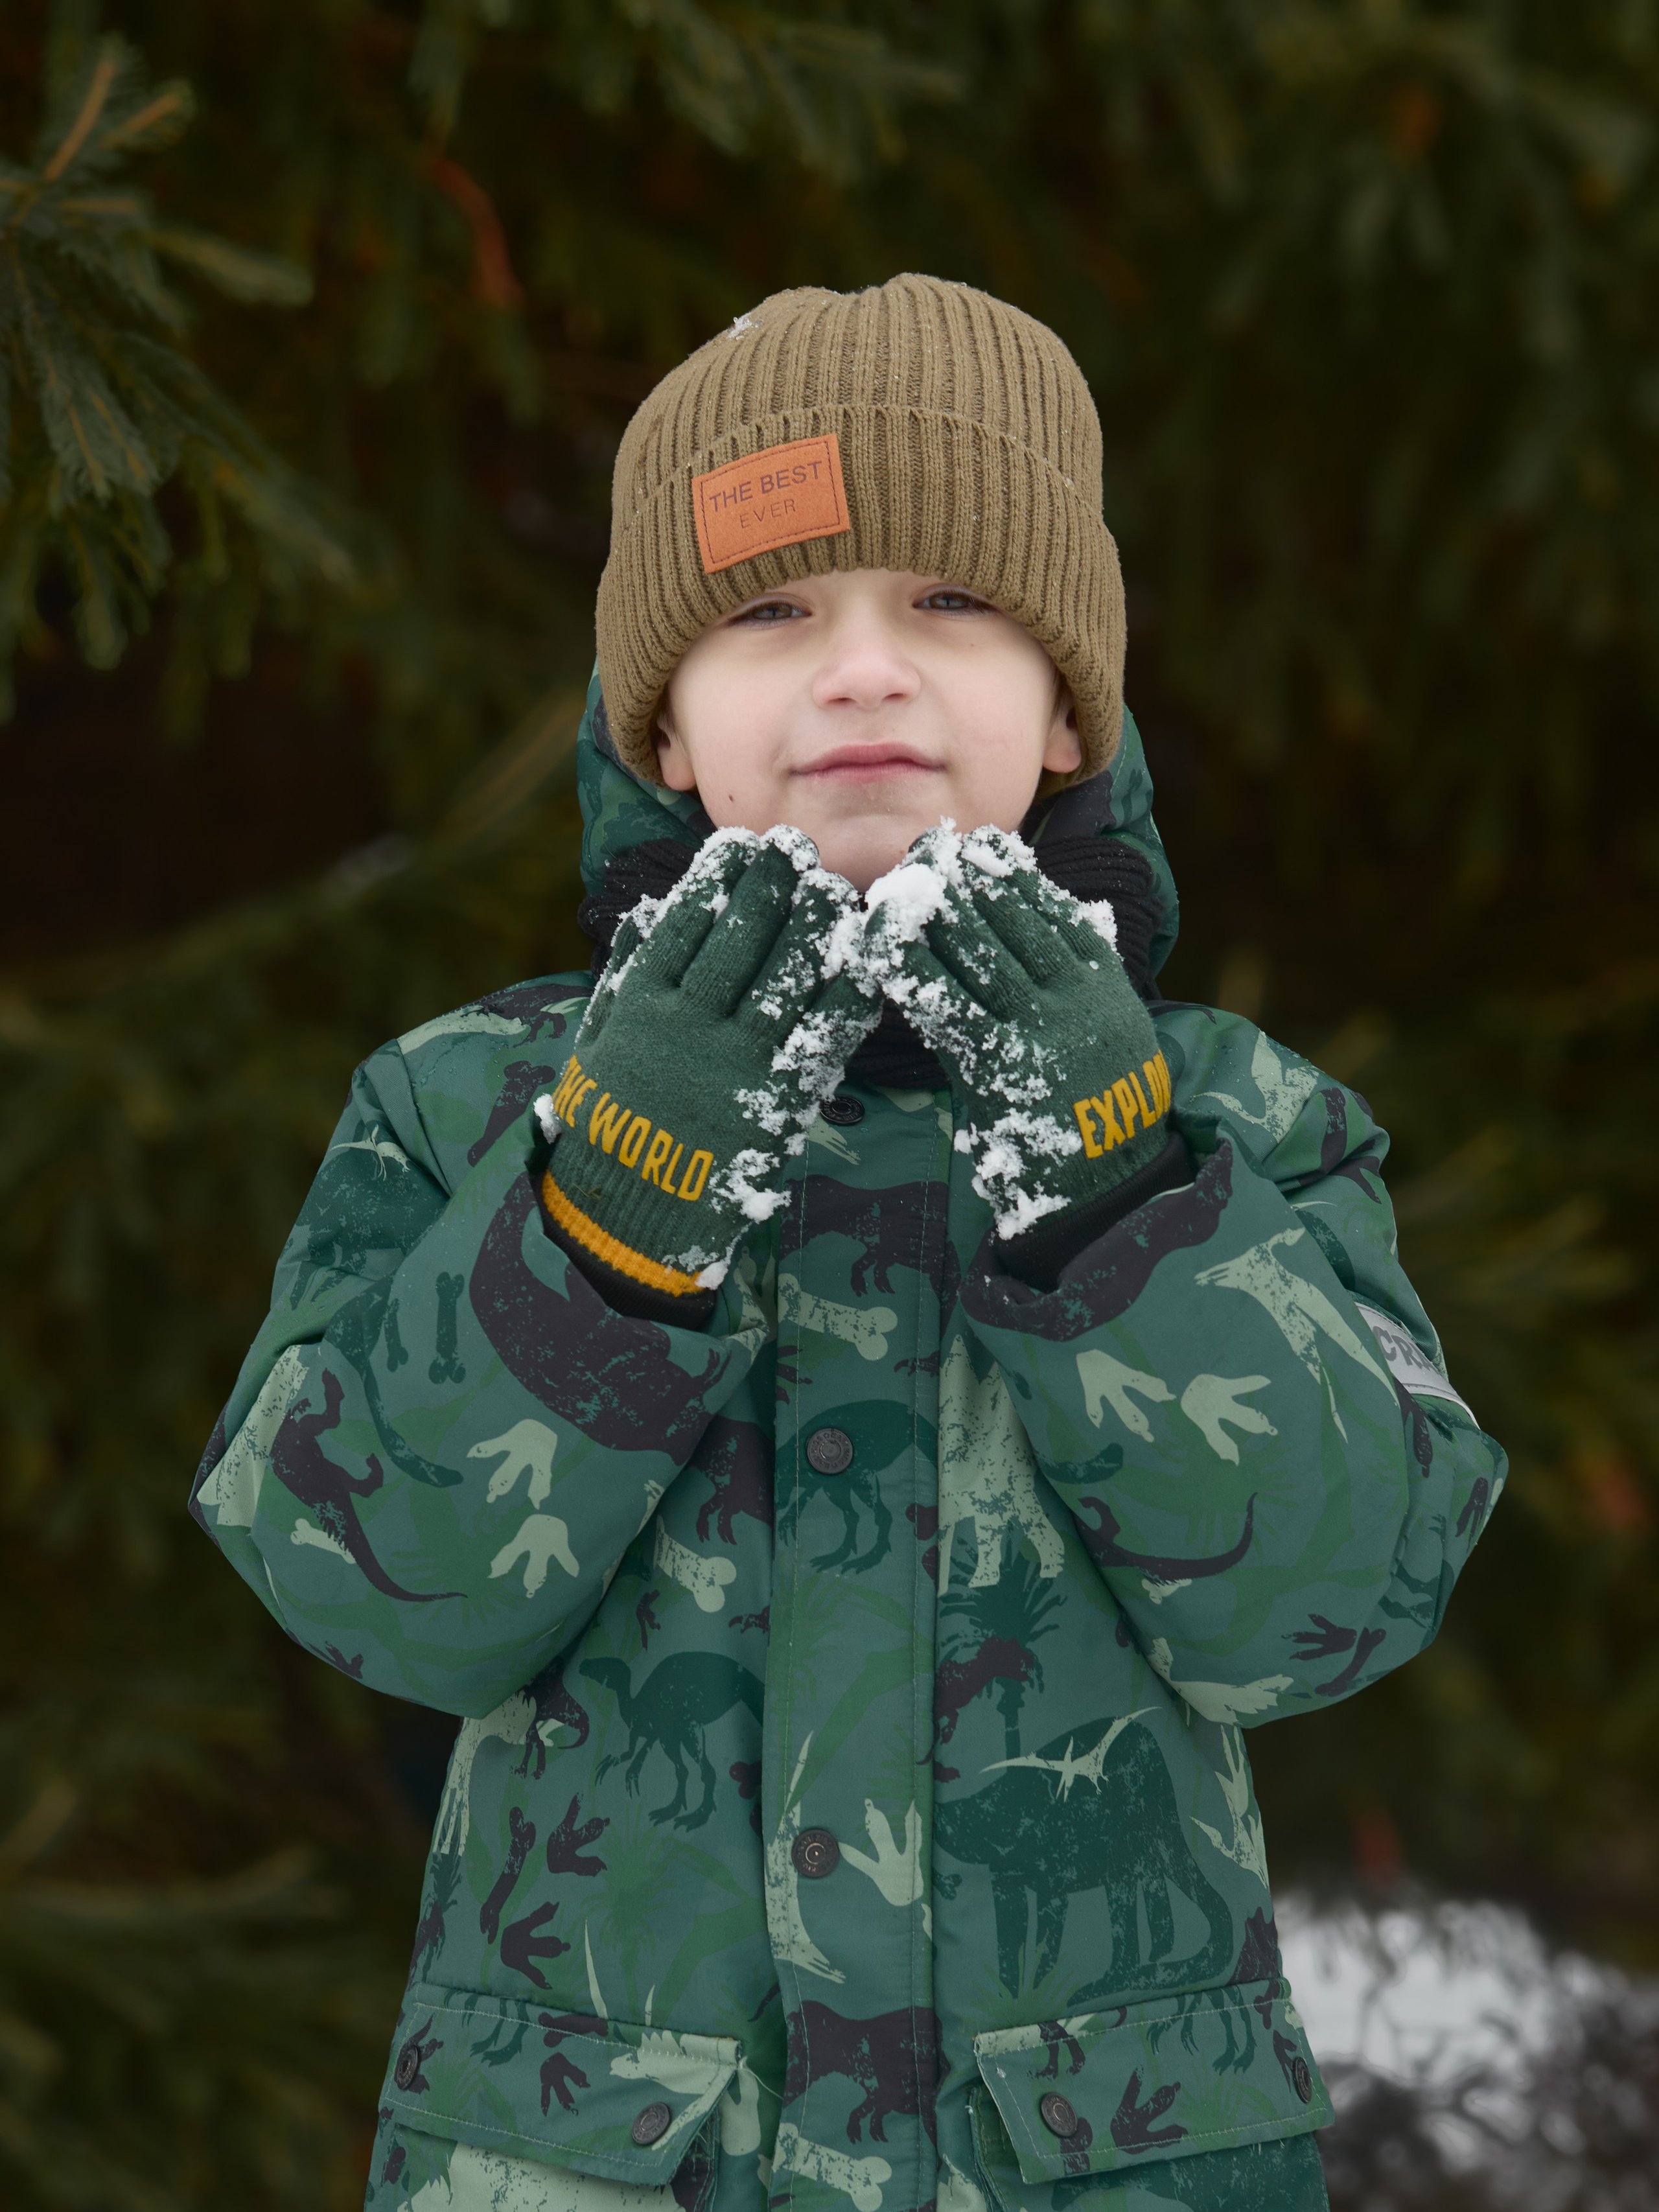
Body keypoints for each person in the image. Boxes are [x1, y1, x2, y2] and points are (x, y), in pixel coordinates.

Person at [191, 275, 1505, 2212]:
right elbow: (376, 1589)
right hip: (599, 2160)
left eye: (955, 604)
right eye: (772, 610)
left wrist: (1117, 1193)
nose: (866, 673)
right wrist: (605, 1216)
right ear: (663, 719)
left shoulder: (1233, 1121)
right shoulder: (470, 1111)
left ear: (1068, 710)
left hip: (1097, 2162)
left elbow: (1329, 1605)